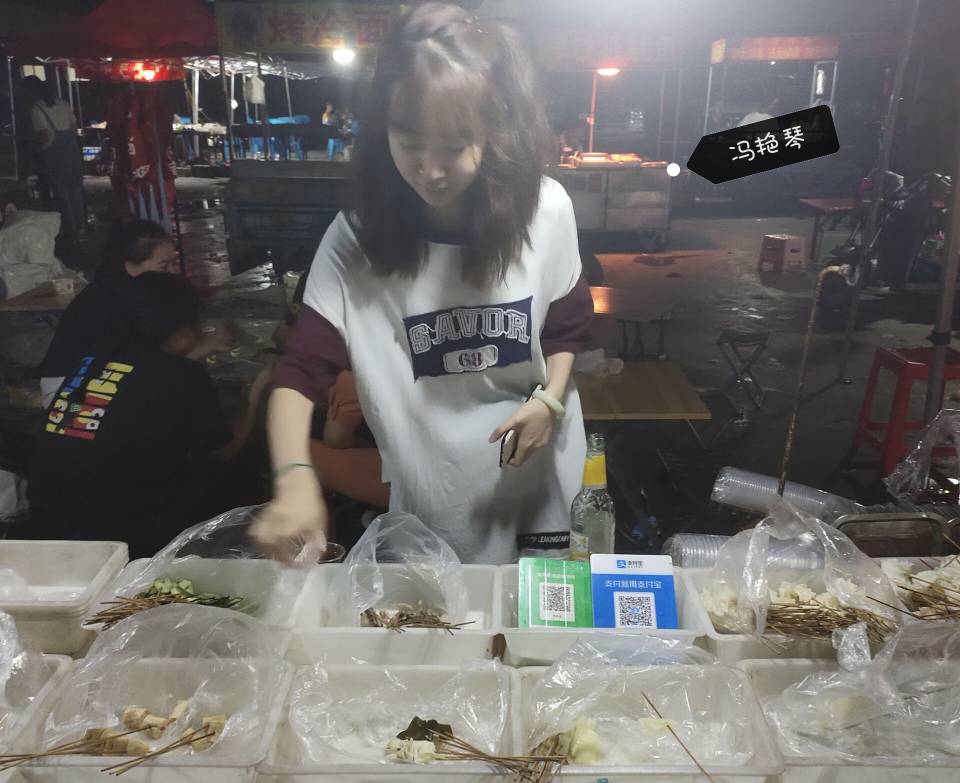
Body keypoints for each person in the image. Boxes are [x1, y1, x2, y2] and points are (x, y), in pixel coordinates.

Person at [253, 2, 592, 564]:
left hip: (537, 462)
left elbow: (567, 325)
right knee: (443, 604)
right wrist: (293, 477)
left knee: (540, 609)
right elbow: (300, 368)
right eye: (408, 142)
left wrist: (551, 400)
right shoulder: (358, 236)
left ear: (493, 130)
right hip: (436, 484)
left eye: (454, 146)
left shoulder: (544, 211)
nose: (430, 170)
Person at [29, 272, 270, 558]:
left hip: (48, 516)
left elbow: (142, 378)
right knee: (241, 466)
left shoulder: (95, 357)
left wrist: (197, 352)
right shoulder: (184, 376)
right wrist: (254, 393)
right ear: (181, 325)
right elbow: (224, 450)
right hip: (118, 527)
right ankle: (227, 556)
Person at [39, 220, 177, 406]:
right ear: (130, 265)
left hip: (94, 381)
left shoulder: (129, 289)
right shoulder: (117, 297)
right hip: (68, 393)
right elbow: (152, 358)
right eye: (164, 266)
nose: (173, 272)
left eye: (174, 263)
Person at [22, 76, 84, 252]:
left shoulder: (36, 109)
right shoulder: (63, 103)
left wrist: (37, 149)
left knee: (62, 194)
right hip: (72, 152)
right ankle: (80, 227)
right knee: (75, 191)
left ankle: (69, 230)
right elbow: (73, 127)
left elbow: (45, 135)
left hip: (55, 156)